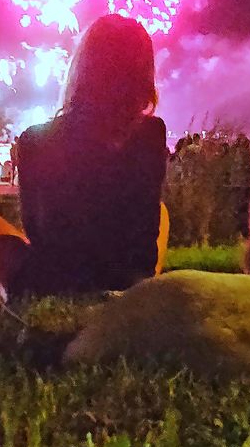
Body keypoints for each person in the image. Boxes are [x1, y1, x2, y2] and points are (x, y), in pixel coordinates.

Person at [10, 15, 168, 295]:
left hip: (56, 282)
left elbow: (35, 229)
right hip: (128, 281)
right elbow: (145, 225)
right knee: (162, 211)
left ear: (81, 66)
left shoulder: (34, 140)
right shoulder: (151, 134)